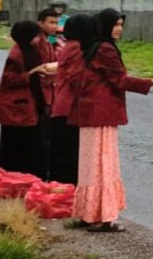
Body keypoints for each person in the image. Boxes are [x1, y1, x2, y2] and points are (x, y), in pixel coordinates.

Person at [68, 8, 153, 232]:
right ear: (105, 26)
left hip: (90, 112)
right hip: (102, 113)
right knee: (104, 163)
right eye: (115, 25)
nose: (119, 29)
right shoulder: (106, 49)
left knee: (89, 165)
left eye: (121, 25)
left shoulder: (93, 46)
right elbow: (119, 80)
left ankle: (88, 213)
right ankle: (104, 217)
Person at [0, 21, 55, 179]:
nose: (38, 39)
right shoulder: (17, 54)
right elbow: (10, 79)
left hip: (30, 104)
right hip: (16, 108)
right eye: (35, 36)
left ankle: (28, 179)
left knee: (32, 145)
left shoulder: (31, 50)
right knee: (16, 147)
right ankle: (11, 180)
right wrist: (32, 73)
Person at [49, 14, 96, 185]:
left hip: (62, 105)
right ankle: (65, 196)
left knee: (63, 153)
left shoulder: (70, 45)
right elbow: (77, 79)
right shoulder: (77, 48)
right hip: (69, 108)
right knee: (68, 155)